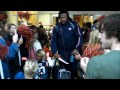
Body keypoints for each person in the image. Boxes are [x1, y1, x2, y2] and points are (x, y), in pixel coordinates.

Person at [81, 14, 120, 79]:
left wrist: (88, 71)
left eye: (101, 32)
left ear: (114, 33)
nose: (99, 36)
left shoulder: (96, 62)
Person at [51, 11, 83, 79]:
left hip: (73, 54)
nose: (62, 19)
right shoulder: (56, 27)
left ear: (67, 17)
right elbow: (53, 41)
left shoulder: (74, 25)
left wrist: (77, 48)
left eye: (64, 17)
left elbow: (80, 37)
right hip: (62, 55)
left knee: (74, 73)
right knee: (64, 73)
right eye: (61, 17)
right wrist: (54, 52)